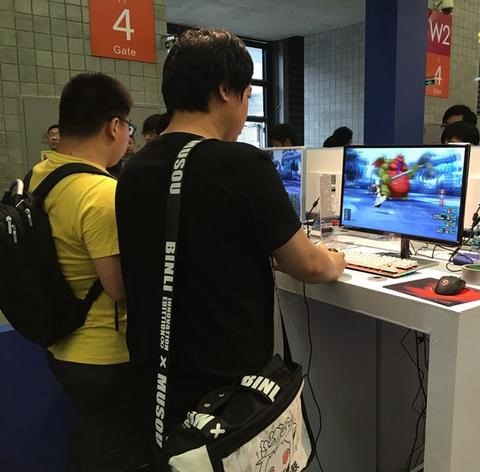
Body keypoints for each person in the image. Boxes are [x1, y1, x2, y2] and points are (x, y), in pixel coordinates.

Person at [116, 28, 346, 438]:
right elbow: (308, 265)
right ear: (225, 90)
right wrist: (335, 260)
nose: (244, 112)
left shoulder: (133, 170)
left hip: (158, 375)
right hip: (226, 390)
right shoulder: (240, 163)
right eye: (247, 97)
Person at [29, 73, 150, 471]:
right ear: (114, 126)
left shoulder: (40, 175)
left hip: (60, 343)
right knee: (119, 453)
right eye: (128, 127)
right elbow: (119, 287)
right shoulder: (101, 194)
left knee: (93, 441)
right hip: (105, 356)